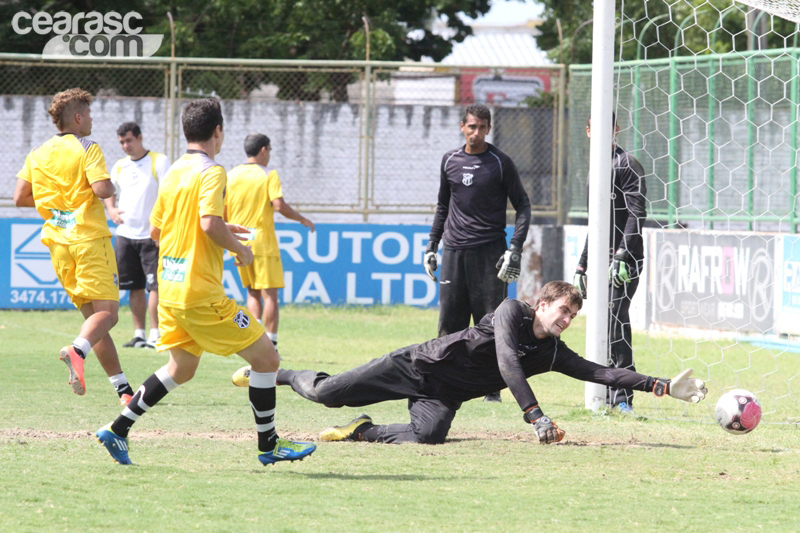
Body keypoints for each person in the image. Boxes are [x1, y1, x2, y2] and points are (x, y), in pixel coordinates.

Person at [95, 98, 316, 466]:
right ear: (218, 131)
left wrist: (218, 228)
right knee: (267, 358)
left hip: (171, 289)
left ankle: (117, 429)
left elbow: (158, 230)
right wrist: (241, 252)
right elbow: (208, 223)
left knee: (181, 368)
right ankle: (269, 445)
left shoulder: (175, 171)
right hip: (200, 292)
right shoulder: (213, 171)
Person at [275, 281, 707, 445]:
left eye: (573, 315)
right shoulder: (510, 311)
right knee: (326, 394)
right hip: (415, 366)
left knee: (429, 437)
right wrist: (535, 415)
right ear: (541, 305)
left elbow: (601, 372)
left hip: (441, 393)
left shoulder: (552, 350)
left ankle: (362, 431)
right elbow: (507, 363)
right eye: (562, 310)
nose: (567, 319)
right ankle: (282, 373)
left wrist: (661, 385)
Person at [13, 88, 135, 406]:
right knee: (108, 315)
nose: (92, 119)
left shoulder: (38, 153)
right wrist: (113, 183)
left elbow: (20, 197)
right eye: (90, 114)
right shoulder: (87, 147)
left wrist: (60, 201)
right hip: (89, 240)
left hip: (59, 244)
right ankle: (76, 351)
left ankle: (122, 389)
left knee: (93, 321)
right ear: (78, 118)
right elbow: (101, 187)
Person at [423, 103, 531, 403]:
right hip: (454, 252)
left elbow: (523, 205)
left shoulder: (500, 162)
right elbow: (443, 206)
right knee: (450, 322)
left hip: (490, 254)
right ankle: (441, 384)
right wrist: (432, 246)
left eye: (482, 127)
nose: (476, 132)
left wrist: (515, 248)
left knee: (492, 323)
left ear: (488, 128)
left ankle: (491, 388)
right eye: (471, 126)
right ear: (462, 127)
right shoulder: (450, 161)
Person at [573, 113, 647, 413]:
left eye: (608, 127)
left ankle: (623, 398)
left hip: (626, 259)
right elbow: (597, 223)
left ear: (615, 129)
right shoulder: (594, 170)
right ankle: (603, 392)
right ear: (588, 131)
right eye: (595, 128)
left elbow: (636, 213)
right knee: (601, 326)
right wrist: (582, 265)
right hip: (601, 258)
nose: (602, 133)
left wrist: (621, 255)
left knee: (616, 320)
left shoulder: (627, 164)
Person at [225, 133, 315, 352]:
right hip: (262, 242)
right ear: (263, 150)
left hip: (239, 240)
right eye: (270, 150)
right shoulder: (268, 175)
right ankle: (271, 345)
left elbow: (224, 209)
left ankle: (254, 343)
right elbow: (279, 205)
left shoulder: (231, 175)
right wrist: (302, 218)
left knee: (252, 292)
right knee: (270, 294)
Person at [104, 122, 170, 349]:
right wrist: (111, 209)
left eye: (129, 140)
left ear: (140, 138)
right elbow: (107, 191)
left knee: (156, 287)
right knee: (134, 287)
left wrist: (161, 227)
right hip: (125, 235)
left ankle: (155, 334)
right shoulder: (120, 166)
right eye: (121, 142)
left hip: (151, 236)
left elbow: (168, 195)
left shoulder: (158, 161)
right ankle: (140, 334)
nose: (125, 146)